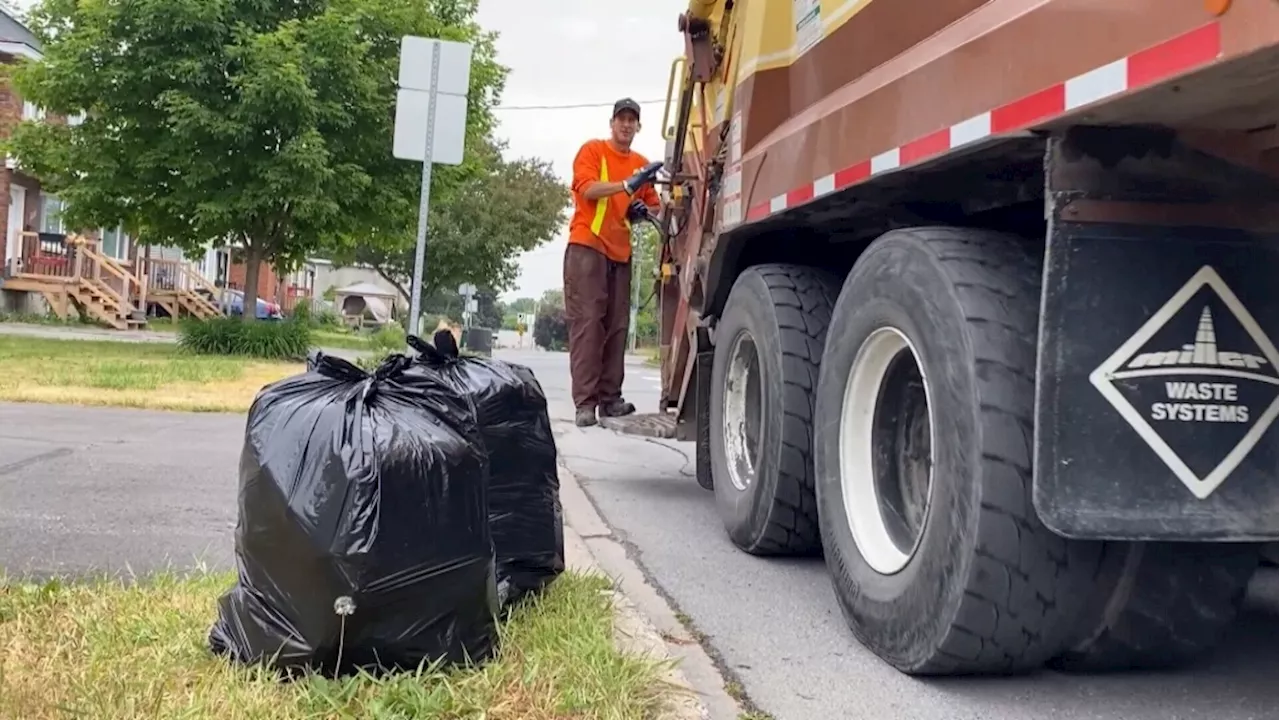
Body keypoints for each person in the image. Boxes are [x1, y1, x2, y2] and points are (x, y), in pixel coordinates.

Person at [565, 98, 664, 427]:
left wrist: (642, 211)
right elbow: (587, 190)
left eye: (632, 120)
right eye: (621, 119)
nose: (626, 125)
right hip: (587, 248)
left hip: (620, 253)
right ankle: (585, 403)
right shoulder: (593, 151)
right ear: (611, 123)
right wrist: (626, 186)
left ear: (638, 126)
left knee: (617, 328)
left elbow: (655, 206)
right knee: (588, 324)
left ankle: (610, 399)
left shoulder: (641, 163)